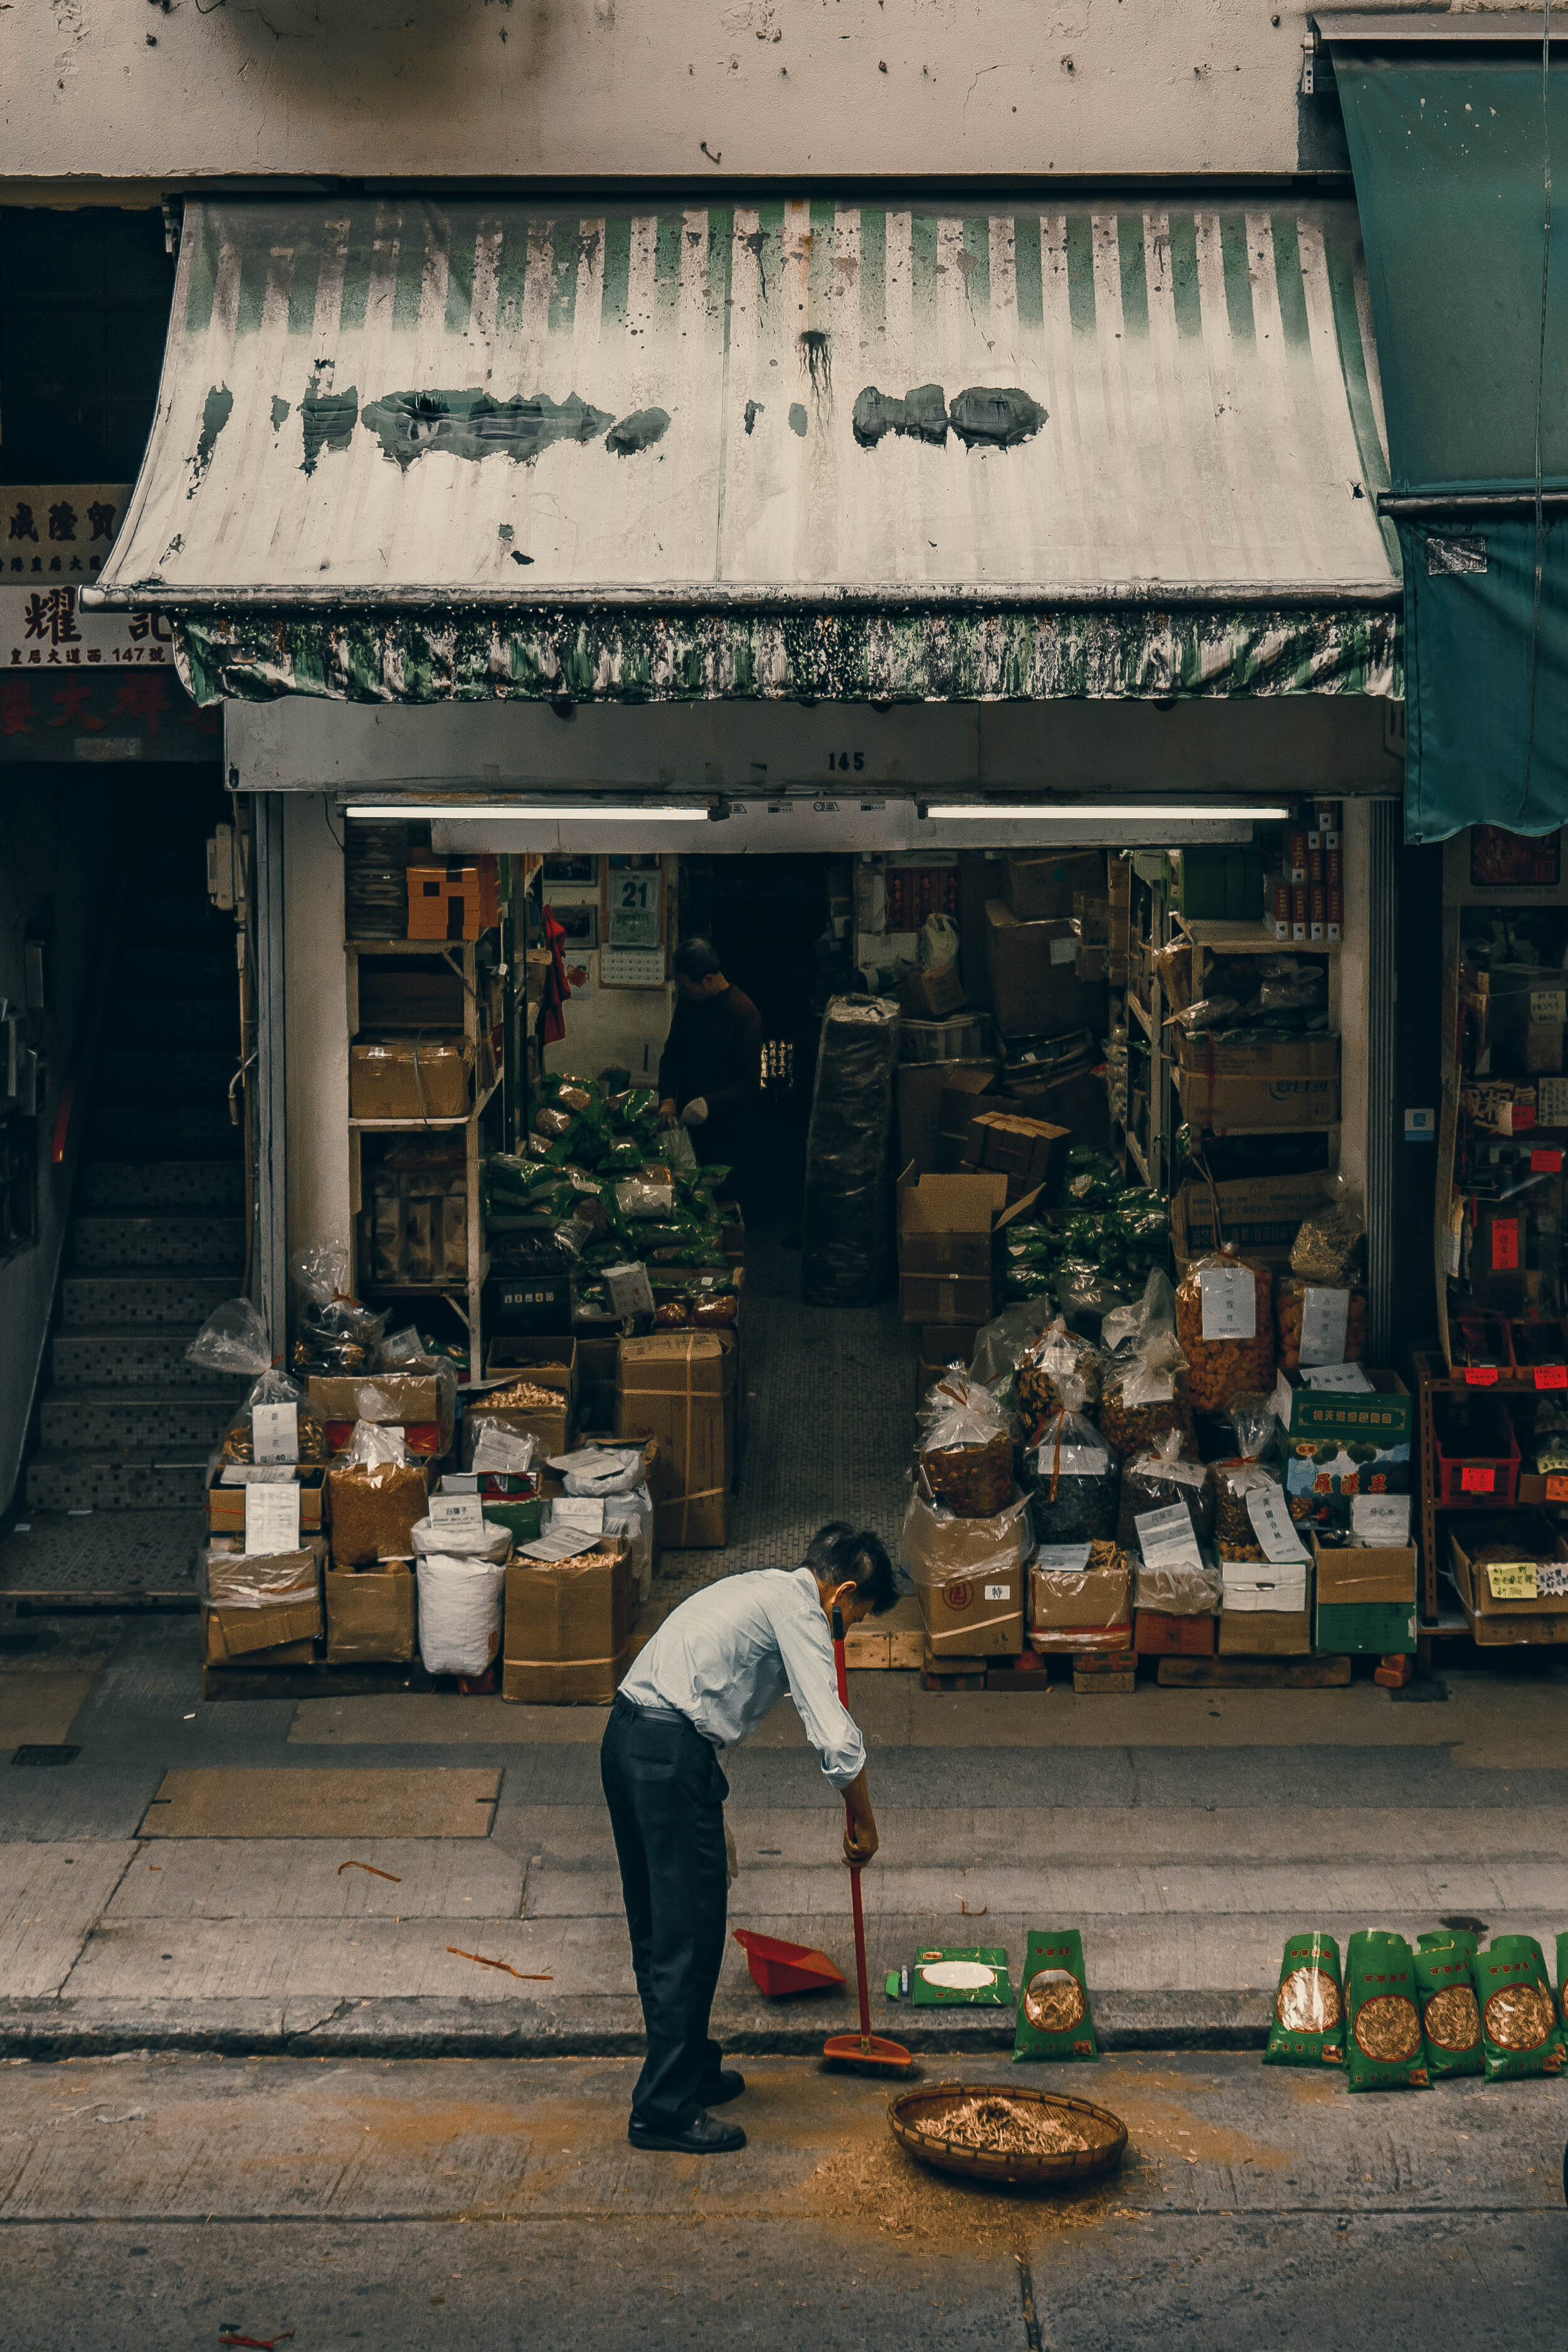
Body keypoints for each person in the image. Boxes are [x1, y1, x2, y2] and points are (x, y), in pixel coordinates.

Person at [600, 1522, 898, 2154]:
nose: (845, 1632)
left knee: (660, 1928)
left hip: (631, 1739)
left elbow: (706, 1693)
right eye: (855, 1619)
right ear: (841, 1593)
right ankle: (664, 2110)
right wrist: (864, 1823)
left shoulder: (759, 1589)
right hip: (669, 1758)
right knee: (689, 1935)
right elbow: (836, 1741)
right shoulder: (803, 1613)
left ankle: (687, 2072)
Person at [657, 936, 764, 1203]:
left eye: (686, 986)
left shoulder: (744, 1013)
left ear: (707, 979)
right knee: (687, 1200)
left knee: (722, 1203)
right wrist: (668, 1097)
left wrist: (710, 1104)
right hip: (688, 1126)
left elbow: (749, 1084)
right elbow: (672, 1055)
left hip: (726, 1132)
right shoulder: (690, 1003)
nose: (683, 992)